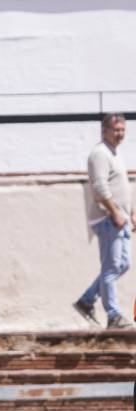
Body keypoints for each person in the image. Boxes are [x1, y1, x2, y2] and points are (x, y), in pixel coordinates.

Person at [74, 113, 134, 329]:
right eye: (116, 130)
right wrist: (115, 213)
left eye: (123, 130)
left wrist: (131, 212)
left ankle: (87, 300)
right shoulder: (99, 154)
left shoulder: (115, 153)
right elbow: (100, 188)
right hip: (108, 218)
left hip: (120, 218)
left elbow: (122, 185)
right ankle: (113, 316)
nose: (120, 134)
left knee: (122, 265)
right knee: (111, 268)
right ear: (105, 131)